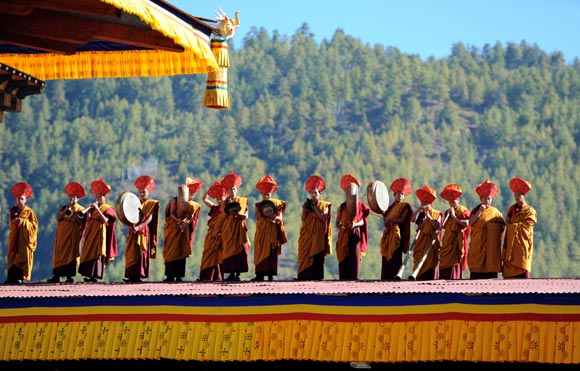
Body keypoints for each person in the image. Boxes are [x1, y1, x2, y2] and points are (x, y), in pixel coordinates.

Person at [162, 177, 203, 282]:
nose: (191, 196)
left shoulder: (191, 205)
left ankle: (179, 275)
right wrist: (178, 220)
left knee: (181, 252)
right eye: (190, 194)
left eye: (193, 195)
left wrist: (185, 224)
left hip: (183, 230)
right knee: (171, 251)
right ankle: (170, 276)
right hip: (173, 228)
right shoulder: (174, 200)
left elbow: (191, 218)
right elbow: (171, 213)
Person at [78, 178, 118, 282]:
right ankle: (89, 275)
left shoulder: (108, 208)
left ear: (105, 197)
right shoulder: (94, 208)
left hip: (100, 233)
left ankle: (95, 275)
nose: (98, 198)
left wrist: (97, 210)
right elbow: (89, 219)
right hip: (91, 232)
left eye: (100, 196)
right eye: (97, 196)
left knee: (97, 252)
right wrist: (89, 212)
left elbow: (106, 220)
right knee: (88, 251)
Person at [123, 175, 160, 283]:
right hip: (133, 230)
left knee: (140, 253)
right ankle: (130, 275)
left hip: (143, 231)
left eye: (143, 192)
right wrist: (132, 225)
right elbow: (129, 215)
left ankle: (138, 275)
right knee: (131, 253)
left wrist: (140, 226)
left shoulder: (150, 203)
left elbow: (150, 218)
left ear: (148, 192)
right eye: (139, 192)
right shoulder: (135, 203)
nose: (141, 194)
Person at [48, 181, 87, 283]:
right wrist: (66, 210)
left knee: (70, 255)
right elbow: (58, 218)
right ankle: (56, 276)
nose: (71, 199)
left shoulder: (80, 209)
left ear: (77, 198)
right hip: (61, 236)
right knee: (59, 255)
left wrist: (75, 212)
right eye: (70, 197)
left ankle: (69, 277)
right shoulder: (63, 207)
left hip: (71, 236)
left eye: (73, 197)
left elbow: (80, 221)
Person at [252, 175, 288, 281]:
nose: (266, 196)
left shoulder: (277, 204)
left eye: (268, 194)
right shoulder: (258, 205)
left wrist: (272, 216)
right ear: (261, 194)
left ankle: (270, 275)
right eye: (264, 194)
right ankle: (260, 275)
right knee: (259, 251)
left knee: (271, 253)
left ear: (271, 194)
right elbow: (257, 217)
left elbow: (280, 218)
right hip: (261, 232)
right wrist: (264, 213)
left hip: (272, 232)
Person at [467, 179, 505, 279]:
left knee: (490, 274)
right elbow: (471, 222)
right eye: (485, 198)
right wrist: (480, 211)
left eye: (489, 199)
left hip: (490, 248)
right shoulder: (476, 210)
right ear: (481, 199)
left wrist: (491, 228)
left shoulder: (495, 212)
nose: (488, 201)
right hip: (478, 246)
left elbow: (502, 227)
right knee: (476, 273)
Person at [297, 175, 332, 281]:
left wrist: (315, 209)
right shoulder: (307, 205)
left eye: (315, 193)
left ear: (320, 194)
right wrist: (306, 209)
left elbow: (323, 218)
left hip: (318, 235)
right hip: (307, 234)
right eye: (311, 193)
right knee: (305, 253)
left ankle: (317, 276)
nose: (313, 195)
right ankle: (304, 275)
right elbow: (304, 219)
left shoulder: (324, 205)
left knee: (317, 254)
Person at [335, 174, 370, 280]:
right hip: (344, 235)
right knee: (343, 260)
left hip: (355, 234)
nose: (349, 191)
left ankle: (354, 283)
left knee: (354, 259)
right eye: (348, 189)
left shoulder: (361, 205)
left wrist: (355, 224)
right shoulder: (341, 207)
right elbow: (337, 223)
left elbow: (364, 221)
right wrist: (340, 228)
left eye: (352, 189)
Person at [503, 177, 537, 279]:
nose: (516, 197)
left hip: (522, 247)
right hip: (511, 248)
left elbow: (528, 226)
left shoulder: (530, 211)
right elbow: (507, 223)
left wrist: (512, 226)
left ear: (524, 195)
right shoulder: (511, 209)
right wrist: (509, 225)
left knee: (522, 270)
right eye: (515, 195)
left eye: (519, 195)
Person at [219, 171, 251, 282]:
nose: (232, 191)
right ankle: (231, 273)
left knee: (239, 250)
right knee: (228, 249)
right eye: (230, 189)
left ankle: (237, 273)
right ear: (227, 191)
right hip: (228, 229)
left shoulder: (242, 201)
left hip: (239, 229)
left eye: (234, 189)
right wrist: (218, 229)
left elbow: (246, 215)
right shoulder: (225, 202)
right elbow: (223, 216)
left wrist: (237, 214)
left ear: (237, 190)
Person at [380, 178, 413, 280]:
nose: (400, 195)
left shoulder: (405, 206)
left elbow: (402, 220)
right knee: (385, 258)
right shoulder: (389, 208)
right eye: (398, 193)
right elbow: (385, 219)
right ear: (394, 194)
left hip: (396, 237)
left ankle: (393, 280)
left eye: (402, 194)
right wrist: (386, 221)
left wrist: (390, 219)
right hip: (388, 237)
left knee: (395, 259)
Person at [5, 182, 38, 284]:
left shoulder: (29, 212)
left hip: (24, 240)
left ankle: (21, 277)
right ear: (15, 199)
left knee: (23, 257)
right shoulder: (13, 210)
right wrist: (14, 223)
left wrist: (22, 222)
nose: (20, 201)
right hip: (15, 238)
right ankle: (11, 277)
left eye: (22, 199)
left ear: (25, 200)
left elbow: (34, 226)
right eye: (18, 199)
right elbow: (11, 224)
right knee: (12, 257)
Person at [409, 185, 444, 281]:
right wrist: (419, 209)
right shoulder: (420, 214)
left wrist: (429, 217)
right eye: (422, 202)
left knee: (430, 270)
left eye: (426, 203)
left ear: (431, 203)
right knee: (418, 269)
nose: (424, 204)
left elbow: (437, 226)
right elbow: (412, 220)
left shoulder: (437, 213)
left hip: (431, 246)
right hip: (420, 245)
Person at [438, 184, 470, 280]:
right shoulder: (447, 212)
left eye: (454, 200)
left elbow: (466, 224)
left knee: (454, 264)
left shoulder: (463, 211)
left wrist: (454, 217)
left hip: (456, 243)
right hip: (447, 241)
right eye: (450, 201)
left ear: (458, 200)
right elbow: (445, 226)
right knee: (444, 262)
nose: (452, 203)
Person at [199, 181, 227, 281]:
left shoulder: (227, 209)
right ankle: (206, 277)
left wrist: (218, 232)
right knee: (207, 254)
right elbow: (204, 199)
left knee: (219, 256)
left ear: (225, 197)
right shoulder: (215, 208)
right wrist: (210, 190)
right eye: (217, 197)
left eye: (221, 197)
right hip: (211, 236)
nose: (220, 199)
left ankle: (218, 277)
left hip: (220, 236)